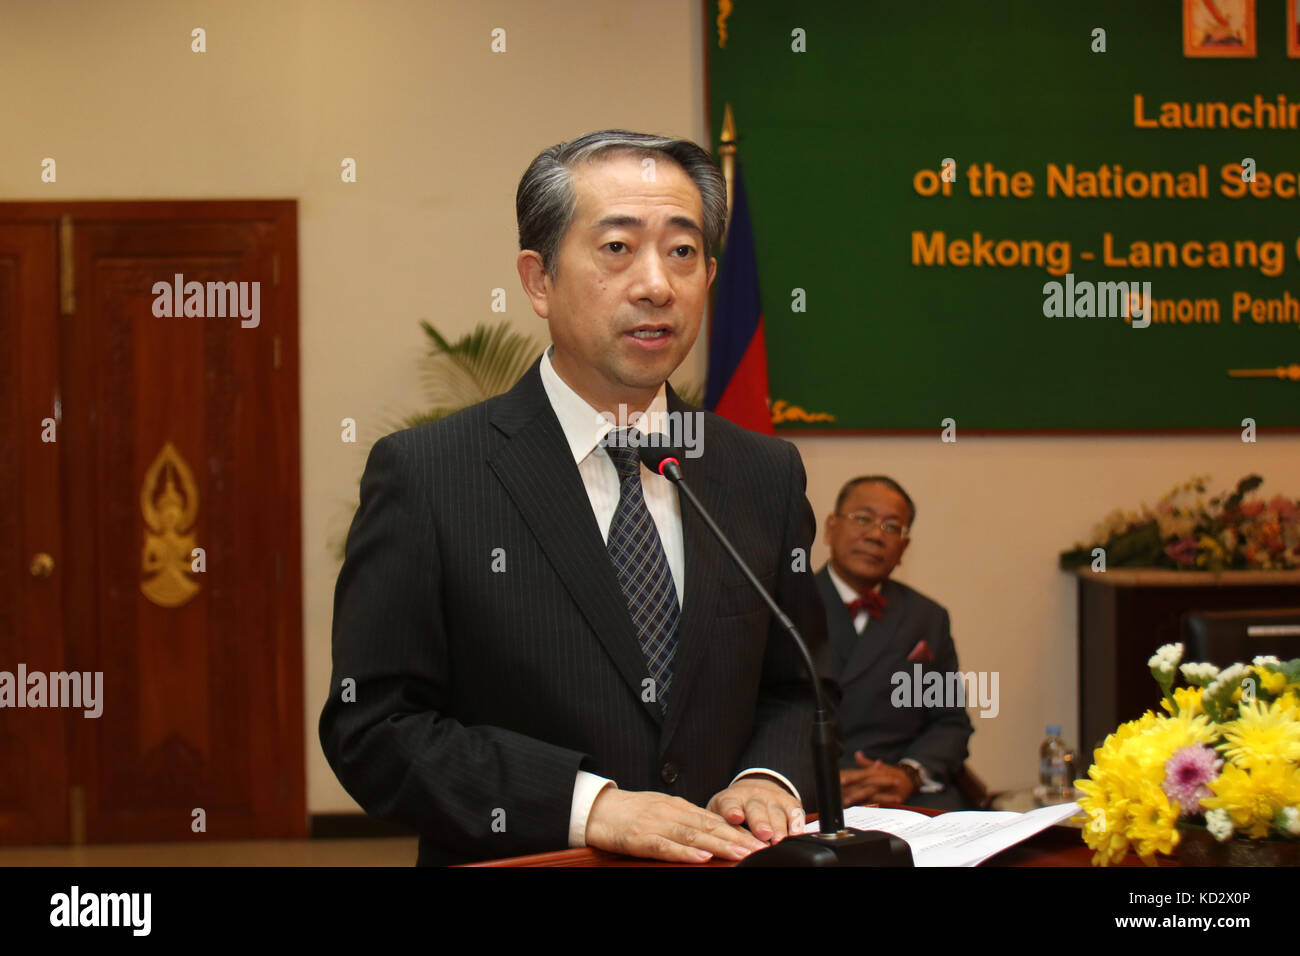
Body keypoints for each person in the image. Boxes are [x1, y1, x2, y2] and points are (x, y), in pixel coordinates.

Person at [319, 130, 835, 865]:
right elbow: (371, 728)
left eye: (682, 252)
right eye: (618, 248)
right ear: (538, 280)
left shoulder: (760, 472)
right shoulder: (431, 474)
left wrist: (766, 776)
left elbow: (802, 687)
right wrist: (587, 807)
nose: (657, 283)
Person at [814, 476, 974, 811]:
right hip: (812, 792)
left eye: (892, 527)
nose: (875, 535)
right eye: (863, 519)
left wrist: (908, 774)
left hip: (903, 795)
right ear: (830, 528)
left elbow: (950, 722)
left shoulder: (928, 618)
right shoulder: (783, 605)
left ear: (904, 548)